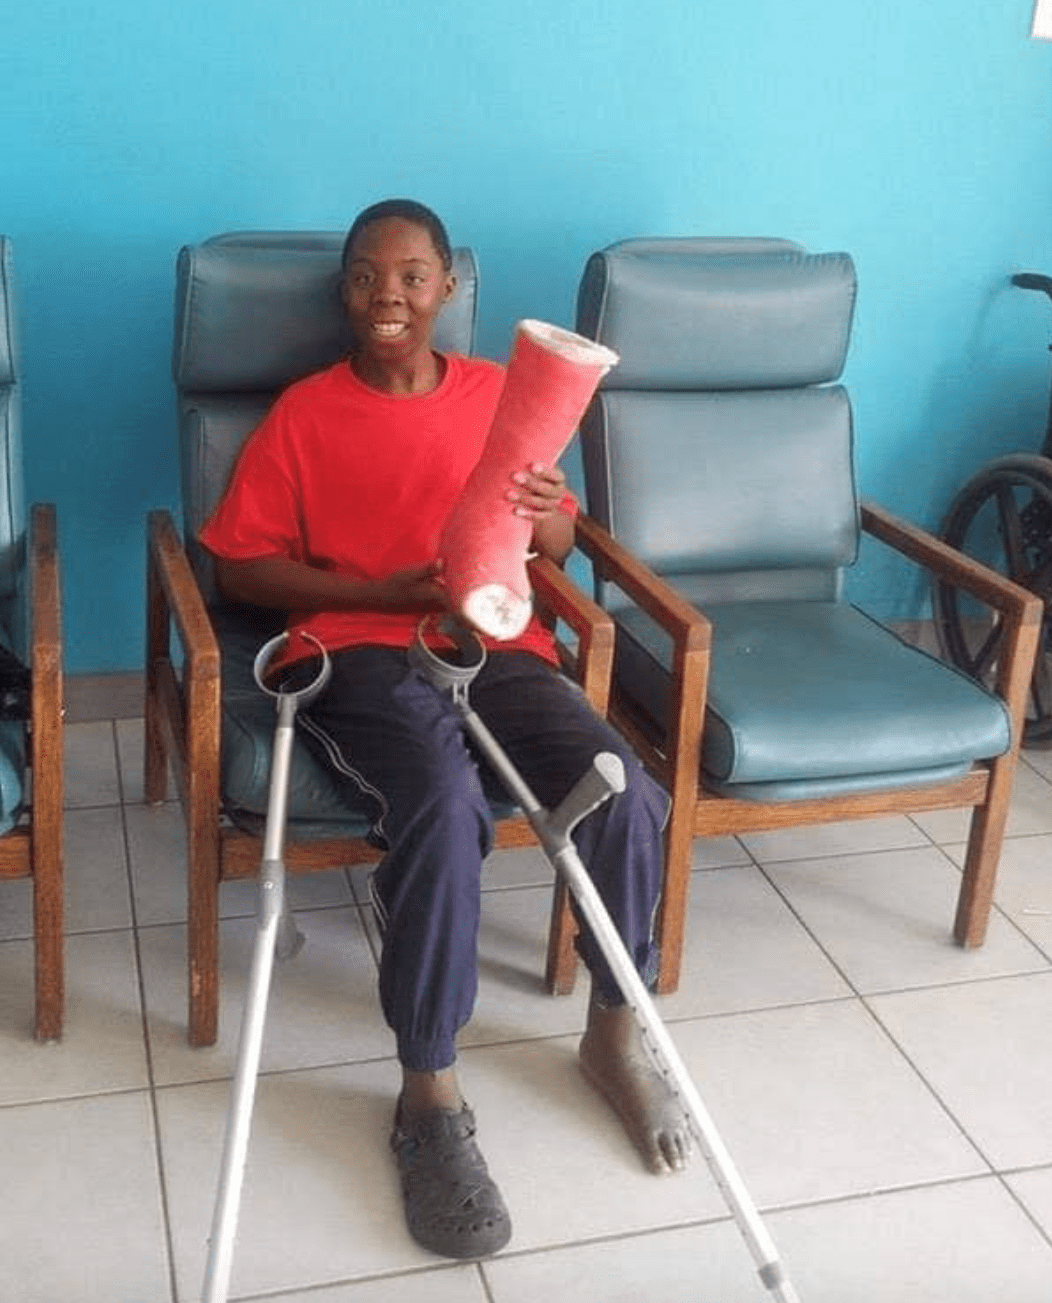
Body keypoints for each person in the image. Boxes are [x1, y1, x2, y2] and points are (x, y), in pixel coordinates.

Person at [200, 198, 690, 1261]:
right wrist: (377, 591)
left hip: (497, 641)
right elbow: (239, 568)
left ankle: (613, 1032)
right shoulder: (304, 413)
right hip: (358, 650)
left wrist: (549, 506)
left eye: (412, 275)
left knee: (623, 789)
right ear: (344, 290)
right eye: (367, 276)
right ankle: (428, 1093)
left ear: (446, 288)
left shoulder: (501, 394)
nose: (388, 294)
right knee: (442, 804)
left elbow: (552, 543)